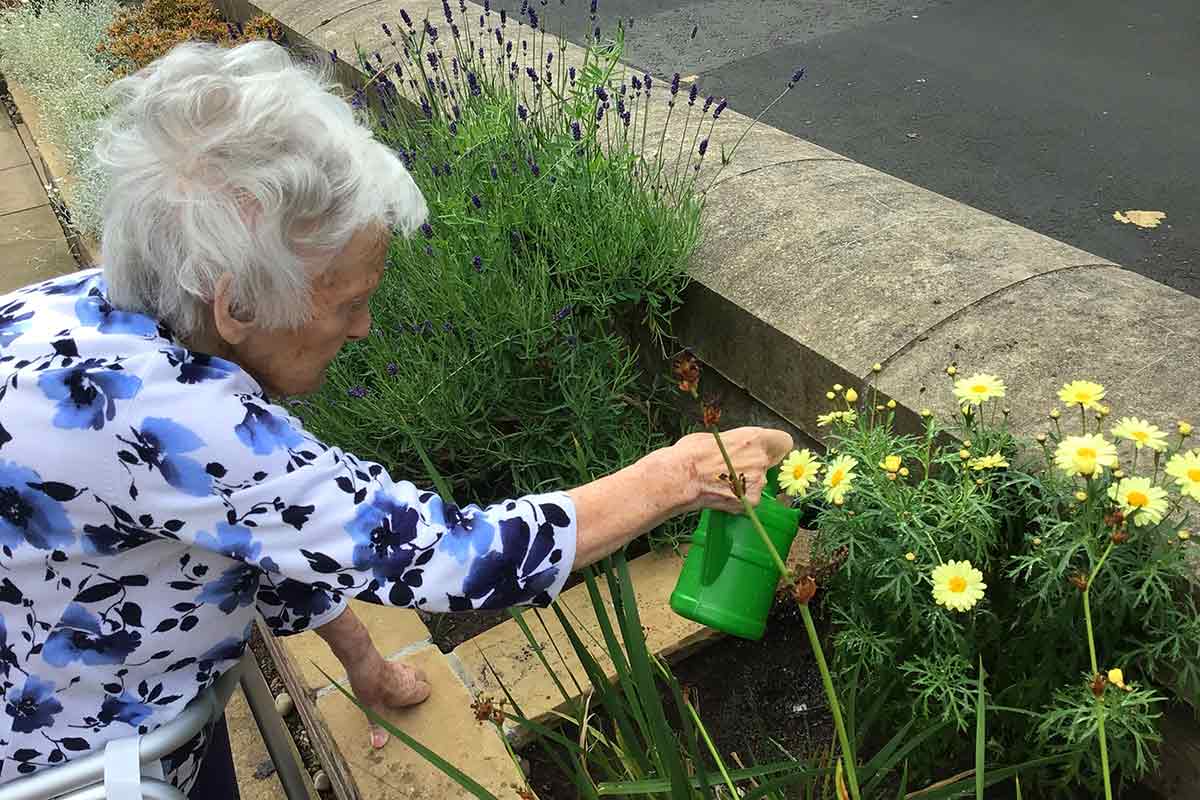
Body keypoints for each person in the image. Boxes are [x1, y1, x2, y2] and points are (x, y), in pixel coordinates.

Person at [0, 41, 792, 796]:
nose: (365, 328)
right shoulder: (174, 421)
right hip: (76, 765)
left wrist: (362, 662)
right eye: (349, 301)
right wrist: (680, 474)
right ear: (237, 304)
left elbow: (256, 525)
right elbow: (458, 557)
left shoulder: (83, 310)